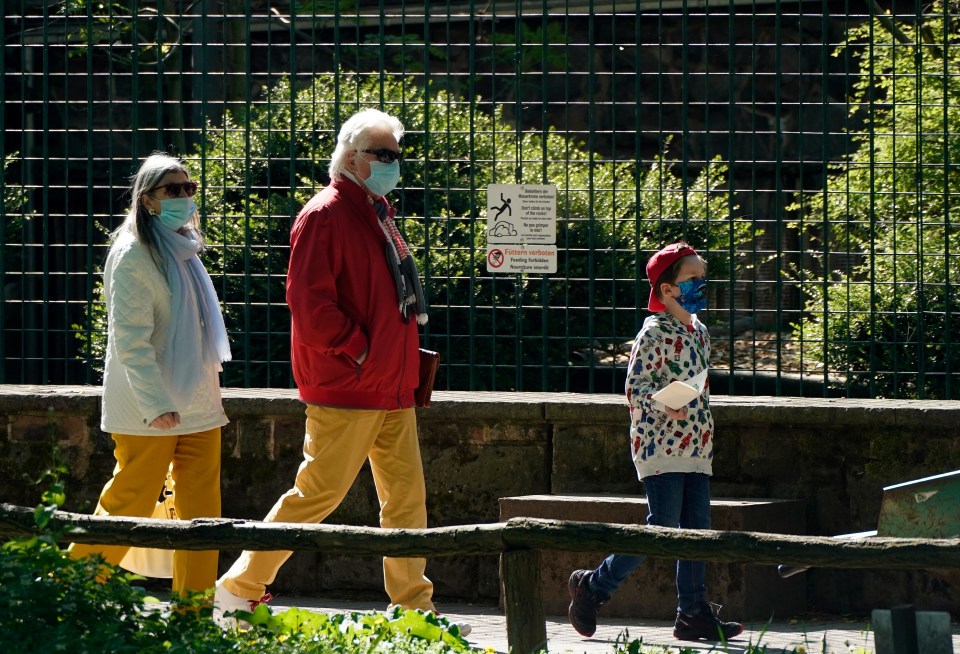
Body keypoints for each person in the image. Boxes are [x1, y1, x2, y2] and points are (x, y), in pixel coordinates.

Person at [213, 108, 469, 636]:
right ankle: (237, 588)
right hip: (351, 384)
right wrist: (360, 353)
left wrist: (383, 359)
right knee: (316, 494)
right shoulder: (326, 214)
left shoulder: (375, 212)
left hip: (389, 385)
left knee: (406, 500)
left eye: (396, 155)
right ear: (352, 158)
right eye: (384, 155)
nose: (394, 164)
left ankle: (414, 609)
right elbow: (310, 308)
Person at [68, 152, 231, 599]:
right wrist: (156, 403)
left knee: (203, 517)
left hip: (197, 404)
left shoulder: (184, 249)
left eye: (189, 189)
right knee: (128, 503)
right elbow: (130, 341)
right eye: (172, 189)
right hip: (149, 407)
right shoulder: (133, 254)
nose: (183, 197)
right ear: (147, 199)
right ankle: (65, 596)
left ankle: (193, 617)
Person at [566, 242, 743, 642]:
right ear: (667, 289)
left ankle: (693, 612)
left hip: (696, 445)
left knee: (696, 528)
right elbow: (635, 388)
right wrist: (666, 406)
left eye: (703, 277)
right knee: (661, 526)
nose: (702, 285)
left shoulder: (699, 332)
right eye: (693, 279)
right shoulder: (653, 333)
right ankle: (594, 587)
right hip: (660, 445)